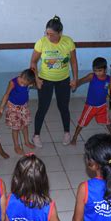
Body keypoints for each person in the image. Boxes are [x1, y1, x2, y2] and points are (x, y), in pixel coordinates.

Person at [30, 15, 78, 147]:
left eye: (52, 34)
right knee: (42, 108)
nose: (49, 37)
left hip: (63, 80)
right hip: (45, 80)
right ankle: (36, 135)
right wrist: (37, 79)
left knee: (63, 107)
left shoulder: (68, 41)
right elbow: (33, 62)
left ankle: (67, 133)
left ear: (60, 33)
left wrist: (75, 79)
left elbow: (73, 62)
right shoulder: (41, 42)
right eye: (47, 33)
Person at [70, 57, 111, 145]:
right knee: (82, 122)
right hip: (90, 106)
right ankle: (74, 137)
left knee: (108, 121)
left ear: (105, 69)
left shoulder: (108, 78)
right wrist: (75, 84)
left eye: (100, 70)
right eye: (95, 70)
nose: (97, 73)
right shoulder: (92, 76)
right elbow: (81, 81)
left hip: (102, 105)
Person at [0, 68, 36, 155]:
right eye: (22, 80)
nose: (23, 83)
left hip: (24, 106)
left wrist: (36, 78)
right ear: (21, 75)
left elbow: (37, 85)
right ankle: (16, 146)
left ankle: (26, 141)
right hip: (13, 108)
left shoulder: (29, 83)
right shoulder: (12, 82)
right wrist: (1, 107)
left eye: (26, 83)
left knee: (25, 125)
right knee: (15, 128)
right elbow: (6, 94)